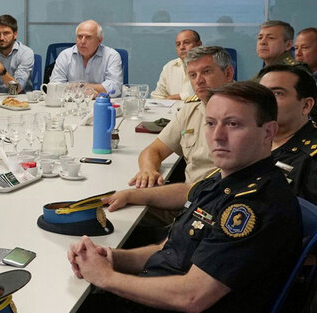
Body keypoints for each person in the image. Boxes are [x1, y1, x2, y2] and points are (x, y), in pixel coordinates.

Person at [68, 81, 302, 313]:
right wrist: (111, 258)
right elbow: (170, 250)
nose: (217, 136)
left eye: (233, 124)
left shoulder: (253, 205)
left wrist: (106, 277)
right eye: (210, 123)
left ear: (268, 132)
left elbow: (192, 296)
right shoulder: (225, 178)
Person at [130, 46, 234, 188]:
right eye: (192, 75)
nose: (199, 81)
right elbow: (153, 150)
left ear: (228, 74)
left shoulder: (246, 114)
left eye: (206, 72)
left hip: (221, 200)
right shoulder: (190, 109)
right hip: (187, 198)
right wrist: (148, 170)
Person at [259, 64, 317, 204]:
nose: (265, 101)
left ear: (306, 106)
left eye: (278, 93)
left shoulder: (312, 159)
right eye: (261, 93)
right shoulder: (248, 142)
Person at [50, 20, 123, 97]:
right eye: (80, 36)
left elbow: (115, 88)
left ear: (99, 40)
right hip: (71, 105)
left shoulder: (111, 56)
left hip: (101, 104)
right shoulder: (65, 55)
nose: (83, 41)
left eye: (88, 37)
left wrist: (76, 87)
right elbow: (54, 87)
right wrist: (87, 91)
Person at [0, 14, 34, 94]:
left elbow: (16, 89)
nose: (1, 38)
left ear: (15, 34)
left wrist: (1, 69)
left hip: (20, 99)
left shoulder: (26, 53)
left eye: (6, 33)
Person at [150, 29, 201, 100]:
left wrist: (179, 97)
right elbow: (157, 96)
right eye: (178, 44)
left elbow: (210, 93)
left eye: (186, 43)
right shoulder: (169, 67)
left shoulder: (210, 65)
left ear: (199, 44)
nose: (181, 47)